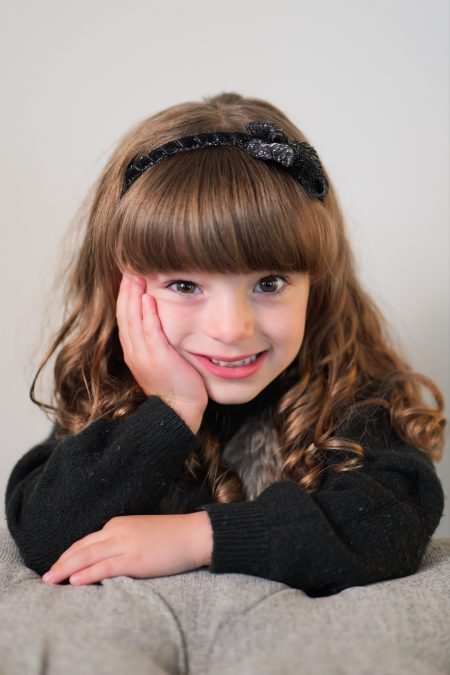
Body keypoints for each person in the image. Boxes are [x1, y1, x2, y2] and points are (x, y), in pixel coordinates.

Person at [5, 92, 446, 597]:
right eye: (185, 285)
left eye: (270, 283)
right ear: (120, 286)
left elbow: (394, 520)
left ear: (316, 284)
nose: (232, 328)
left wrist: (199, 538)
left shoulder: (350, 391)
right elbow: (45, 535)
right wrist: (171, 409)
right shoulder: (109, 392)